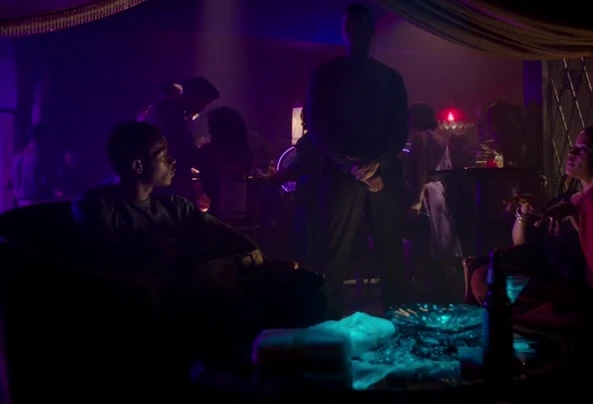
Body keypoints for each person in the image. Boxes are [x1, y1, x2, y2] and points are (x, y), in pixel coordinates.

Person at [72, 121, 326, 364]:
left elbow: (229, 238)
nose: (172, 161)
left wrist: (262, 260)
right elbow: (111, 262)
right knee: (241, 310)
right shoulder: (98, 206)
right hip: (164, 297)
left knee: (306, 288)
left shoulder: (174, 205)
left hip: (204, 284)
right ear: (138, 166)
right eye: (162, 155)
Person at [468, 112, 593, 329]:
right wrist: (525, 213)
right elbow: (524, 242)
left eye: (584, 148)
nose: (572, 152)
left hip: (567, 287)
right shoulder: (576, 198)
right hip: (546, 271)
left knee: (488, 279)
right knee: (481, 269)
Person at [304, 3, 409, 318]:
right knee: (345, 253)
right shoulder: (384, 77)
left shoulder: (331, 74)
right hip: (362, 171)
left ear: (370, 32)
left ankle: (336, 320)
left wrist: (359, 165)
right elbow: (318, 126)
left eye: (358, 26)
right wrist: (372, 165)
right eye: (350, 27)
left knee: (374, 251)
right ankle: (339, 320)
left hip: (352, 171)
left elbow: (399, 128)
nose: (354, 32)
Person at [406, 103, 463, 301]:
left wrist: (416, 201)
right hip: (439, 191)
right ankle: (443, 288)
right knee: (441, 240)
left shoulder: (420, 138)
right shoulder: (439, 138)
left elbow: (421, 171)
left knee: (426, 240)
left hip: (427, 192)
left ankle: (427, 289)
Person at [141, 77, 220, 200]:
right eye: (204, 102)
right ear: (193, 95)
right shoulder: (170, 115)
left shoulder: (170, 112)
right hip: (167, 184)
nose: (203, 108)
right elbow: (181, 150)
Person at [10, 123, 59, 206]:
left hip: (20, 202)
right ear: (43, 137)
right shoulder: (40, 156)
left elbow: (12, 180)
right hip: (36, 202)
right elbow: (44, 181)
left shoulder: (18, 155)